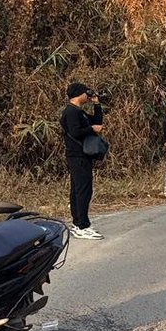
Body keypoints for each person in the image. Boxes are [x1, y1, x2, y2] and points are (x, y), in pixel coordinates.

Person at [60, 82, 105, 239]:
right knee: (83, 191)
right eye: (86, 93)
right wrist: (91, 129)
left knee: (78, 190)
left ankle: (78, 223)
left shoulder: (79, 112)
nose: (88, 95)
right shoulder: (71, 112)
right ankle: (82, 226)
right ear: (79, 94)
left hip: (82, 156)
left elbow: (97, 122)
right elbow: (75, 131)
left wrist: (97, 105)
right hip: (76, 155)